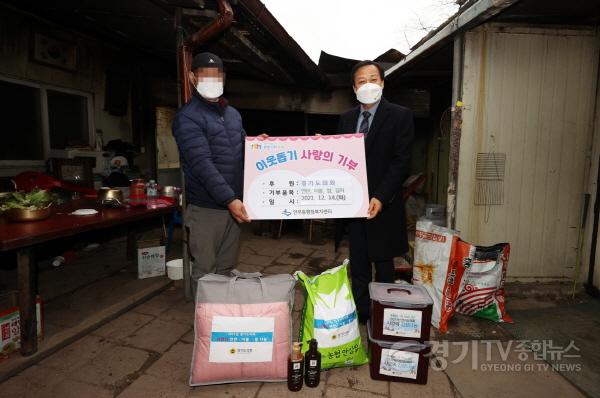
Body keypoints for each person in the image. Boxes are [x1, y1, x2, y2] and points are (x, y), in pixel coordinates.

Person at [336, 60, 414, 323]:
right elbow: (337, 156)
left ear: (382, 82)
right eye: (361, 80)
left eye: (373, 79)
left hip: (384, 203)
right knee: (358, 264)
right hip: (353, 205)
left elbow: (401, 161)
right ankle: (362, 315)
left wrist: (380, 196)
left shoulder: (400, 115)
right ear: (353, 87)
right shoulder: (346, 119)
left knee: (383, 264)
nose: (368, 84)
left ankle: (384, 316)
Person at [172, 52, 250, 296]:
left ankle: (222, 324)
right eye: (205, 75)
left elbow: (242, 150)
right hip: (207, 209)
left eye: (217, 76)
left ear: (224, 79)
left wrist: (261, 146)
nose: (212, 80)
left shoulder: (233, 114)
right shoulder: (188, 118)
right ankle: (205, 329)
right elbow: (201, 164)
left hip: (234, 207)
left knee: (226, 268)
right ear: (192, 77)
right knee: (206, 271)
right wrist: (230, 199)